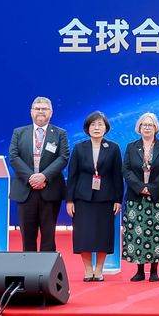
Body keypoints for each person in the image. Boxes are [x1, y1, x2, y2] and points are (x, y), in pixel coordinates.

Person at [66, 111, 123, 282]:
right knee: (84, 234)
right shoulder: (79, 147)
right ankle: (87, 269)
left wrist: (118, 199)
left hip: (106, 198)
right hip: (82, 198)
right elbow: (72, 175)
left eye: (100, 125)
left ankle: (99, 270)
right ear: (87, 128)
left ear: (106, 128)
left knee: (103, 234)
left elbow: (117, 175)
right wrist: (69, 200)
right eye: (93, 125)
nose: (96, 128)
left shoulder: (113, 148)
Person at [9, 96, 70, 252]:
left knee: (48, 235)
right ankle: (29, 266)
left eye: (44, 109)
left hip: (50, 189)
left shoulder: (60, 133)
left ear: (51, 112)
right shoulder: (19, 132)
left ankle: (47, 267)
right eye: (37, 109)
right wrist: (31, 177)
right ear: (31, 112)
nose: (41, 111)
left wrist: (44, 176)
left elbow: (63, 157)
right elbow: (14, 157)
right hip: (25, 190)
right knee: (27, 235)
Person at [122, 113, 159, 283]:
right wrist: (140, 187)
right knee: (137, 233)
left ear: (156, 128)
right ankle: (139, 270)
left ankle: (154, 270)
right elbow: (126, 170)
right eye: (144, 125)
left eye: (150, 125)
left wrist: (151, 188)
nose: (147, 127)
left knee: (156, 233)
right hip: (136, 197)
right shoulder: (131, 147)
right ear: (139, 128)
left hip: (158, 197)